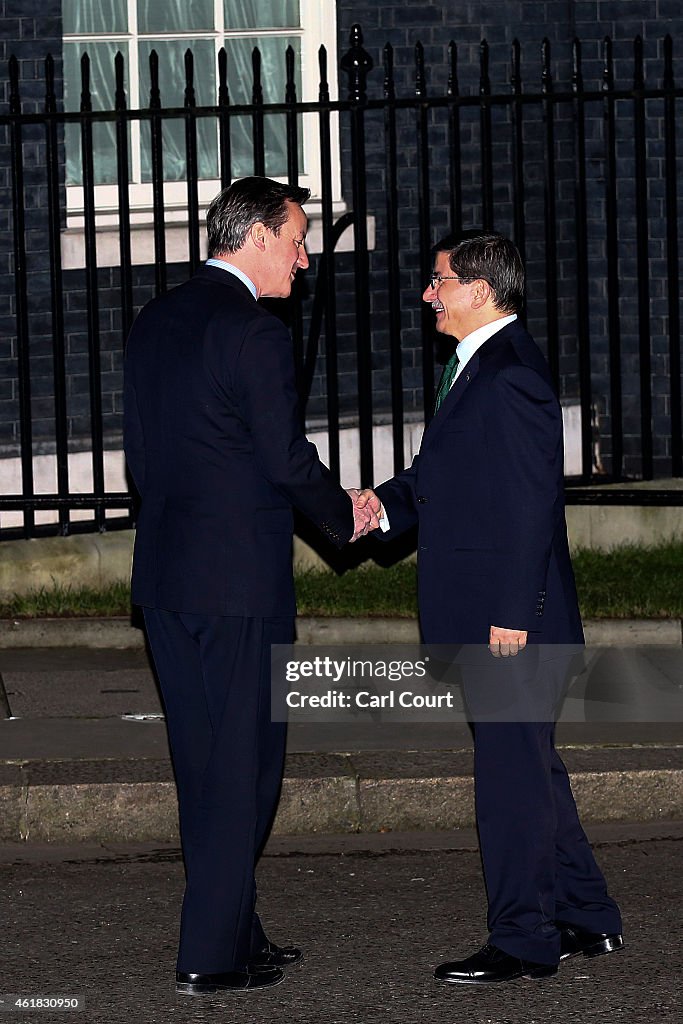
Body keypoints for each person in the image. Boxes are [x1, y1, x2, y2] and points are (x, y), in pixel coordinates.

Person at [123, 176, 378, 997]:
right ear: (257, 236)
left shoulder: (155, 319)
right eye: (297, 240)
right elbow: (283, 461)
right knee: (244, 771)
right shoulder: (252, 332)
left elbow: (144, 457)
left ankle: (237, 926)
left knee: (201, 765)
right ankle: (209, 956)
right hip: (237, 586)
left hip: (166, 578)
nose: (304, 261)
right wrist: (349, 514)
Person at [358, 233, 623, 984]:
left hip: (509, 622)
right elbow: (443, 478)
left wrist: (511, 611)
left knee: (508, 782)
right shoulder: (477, 367)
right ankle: (587, 916)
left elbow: (528, 503)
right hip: (500, 614)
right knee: (530, 770)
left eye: (438, 281)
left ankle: (523, 939)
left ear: (479, 289)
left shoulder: (506, 375)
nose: (427, 294)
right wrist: (377, 510)